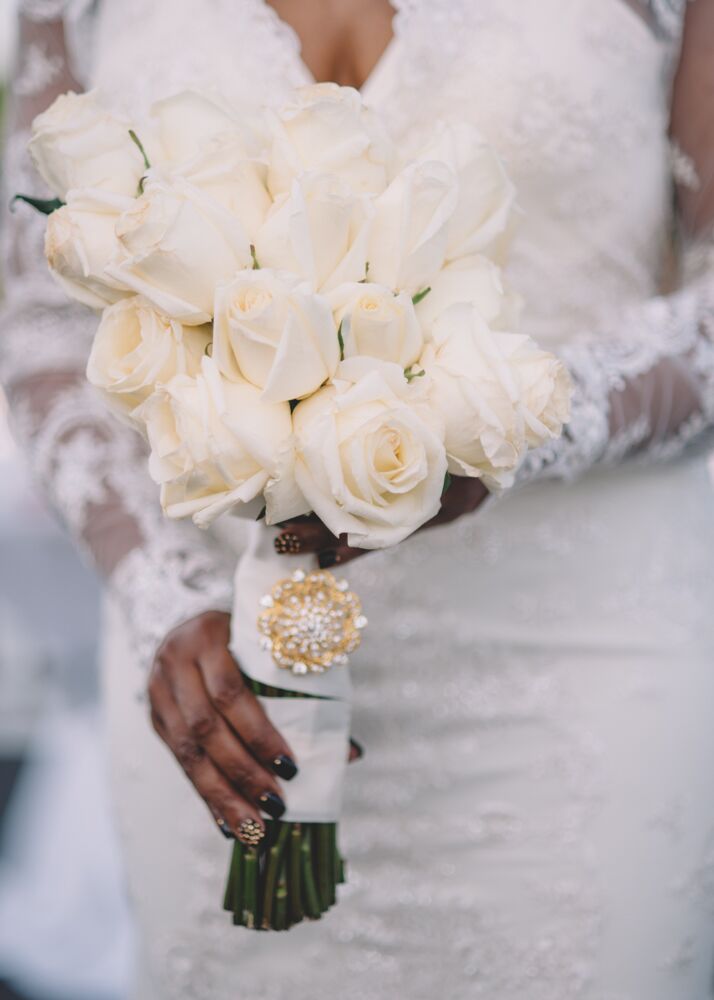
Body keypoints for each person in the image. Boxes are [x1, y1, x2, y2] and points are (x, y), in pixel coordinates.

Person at [2, 0, 714, 996]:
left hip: (579, 676)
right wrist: (157, 592)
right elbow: (40, 309)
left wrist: (497, 425)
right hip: (222, 703)